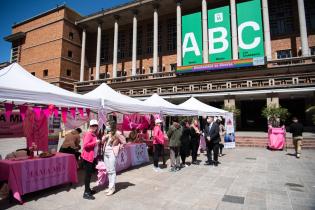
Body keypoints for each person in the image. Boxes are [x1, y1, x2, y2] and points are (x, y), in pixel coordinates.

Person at [102, 121, 126, 196]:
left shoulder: (118, 133)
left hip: (112, 152)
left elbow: (124, 142)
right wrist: (105, 136)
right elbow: (102, 142)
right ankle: (110, 186)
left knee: (112, 170)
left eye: (108, 124)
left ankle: (112, 188)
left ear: (112, 125)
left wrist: (118, 148)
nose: (107, 126)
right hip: (105, 152)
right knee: (108, 170)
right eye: (106, 125)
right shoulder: (107, 133)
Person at [81, 120, 100, 200]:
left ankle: (88, 190)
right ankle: (86, 193)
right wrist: (95, 143)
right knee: (87, 175)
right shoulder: (89, 134)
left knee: (89, 175)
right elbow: (85, 145)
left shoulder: (92, 133)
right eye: (93, 126)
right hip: (88, 158)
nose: (94, 127)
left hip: (91, 157)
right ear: (90, 126)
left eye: (95, 125)